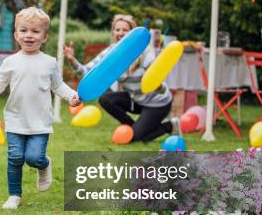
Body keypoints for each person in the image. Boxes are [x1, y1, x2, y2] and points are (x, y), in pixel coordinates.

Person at [0, 7, 81, 210]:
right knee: (15, 157)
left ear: (44, 37)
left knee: (33, 157)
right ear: (16, 34)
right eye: (24, 30)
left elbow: (58, 85)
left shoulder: (49, 63)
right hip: (15, 118)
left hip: (40, 121)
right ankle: (14, 195)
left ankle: (44, 164)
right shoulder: (10, 61)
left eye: (35, 31)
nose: (29, 35)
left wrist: (71, 96)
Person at [64, 14, 178, 142]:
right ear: (113, 32)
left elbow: (154, 75)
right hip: (136, 100)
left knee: (136, 139)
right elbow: (87, 72)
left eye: (125, 30)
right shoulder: (111, 53)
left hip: (157, 102)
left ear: (132, 32)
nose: (120, 33)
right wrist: (72, 60)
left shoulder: (145, 51)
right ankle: (132, 128)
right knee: (105, 99)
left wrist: (159, 87)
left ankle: (170, 125)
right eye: (117, 29)